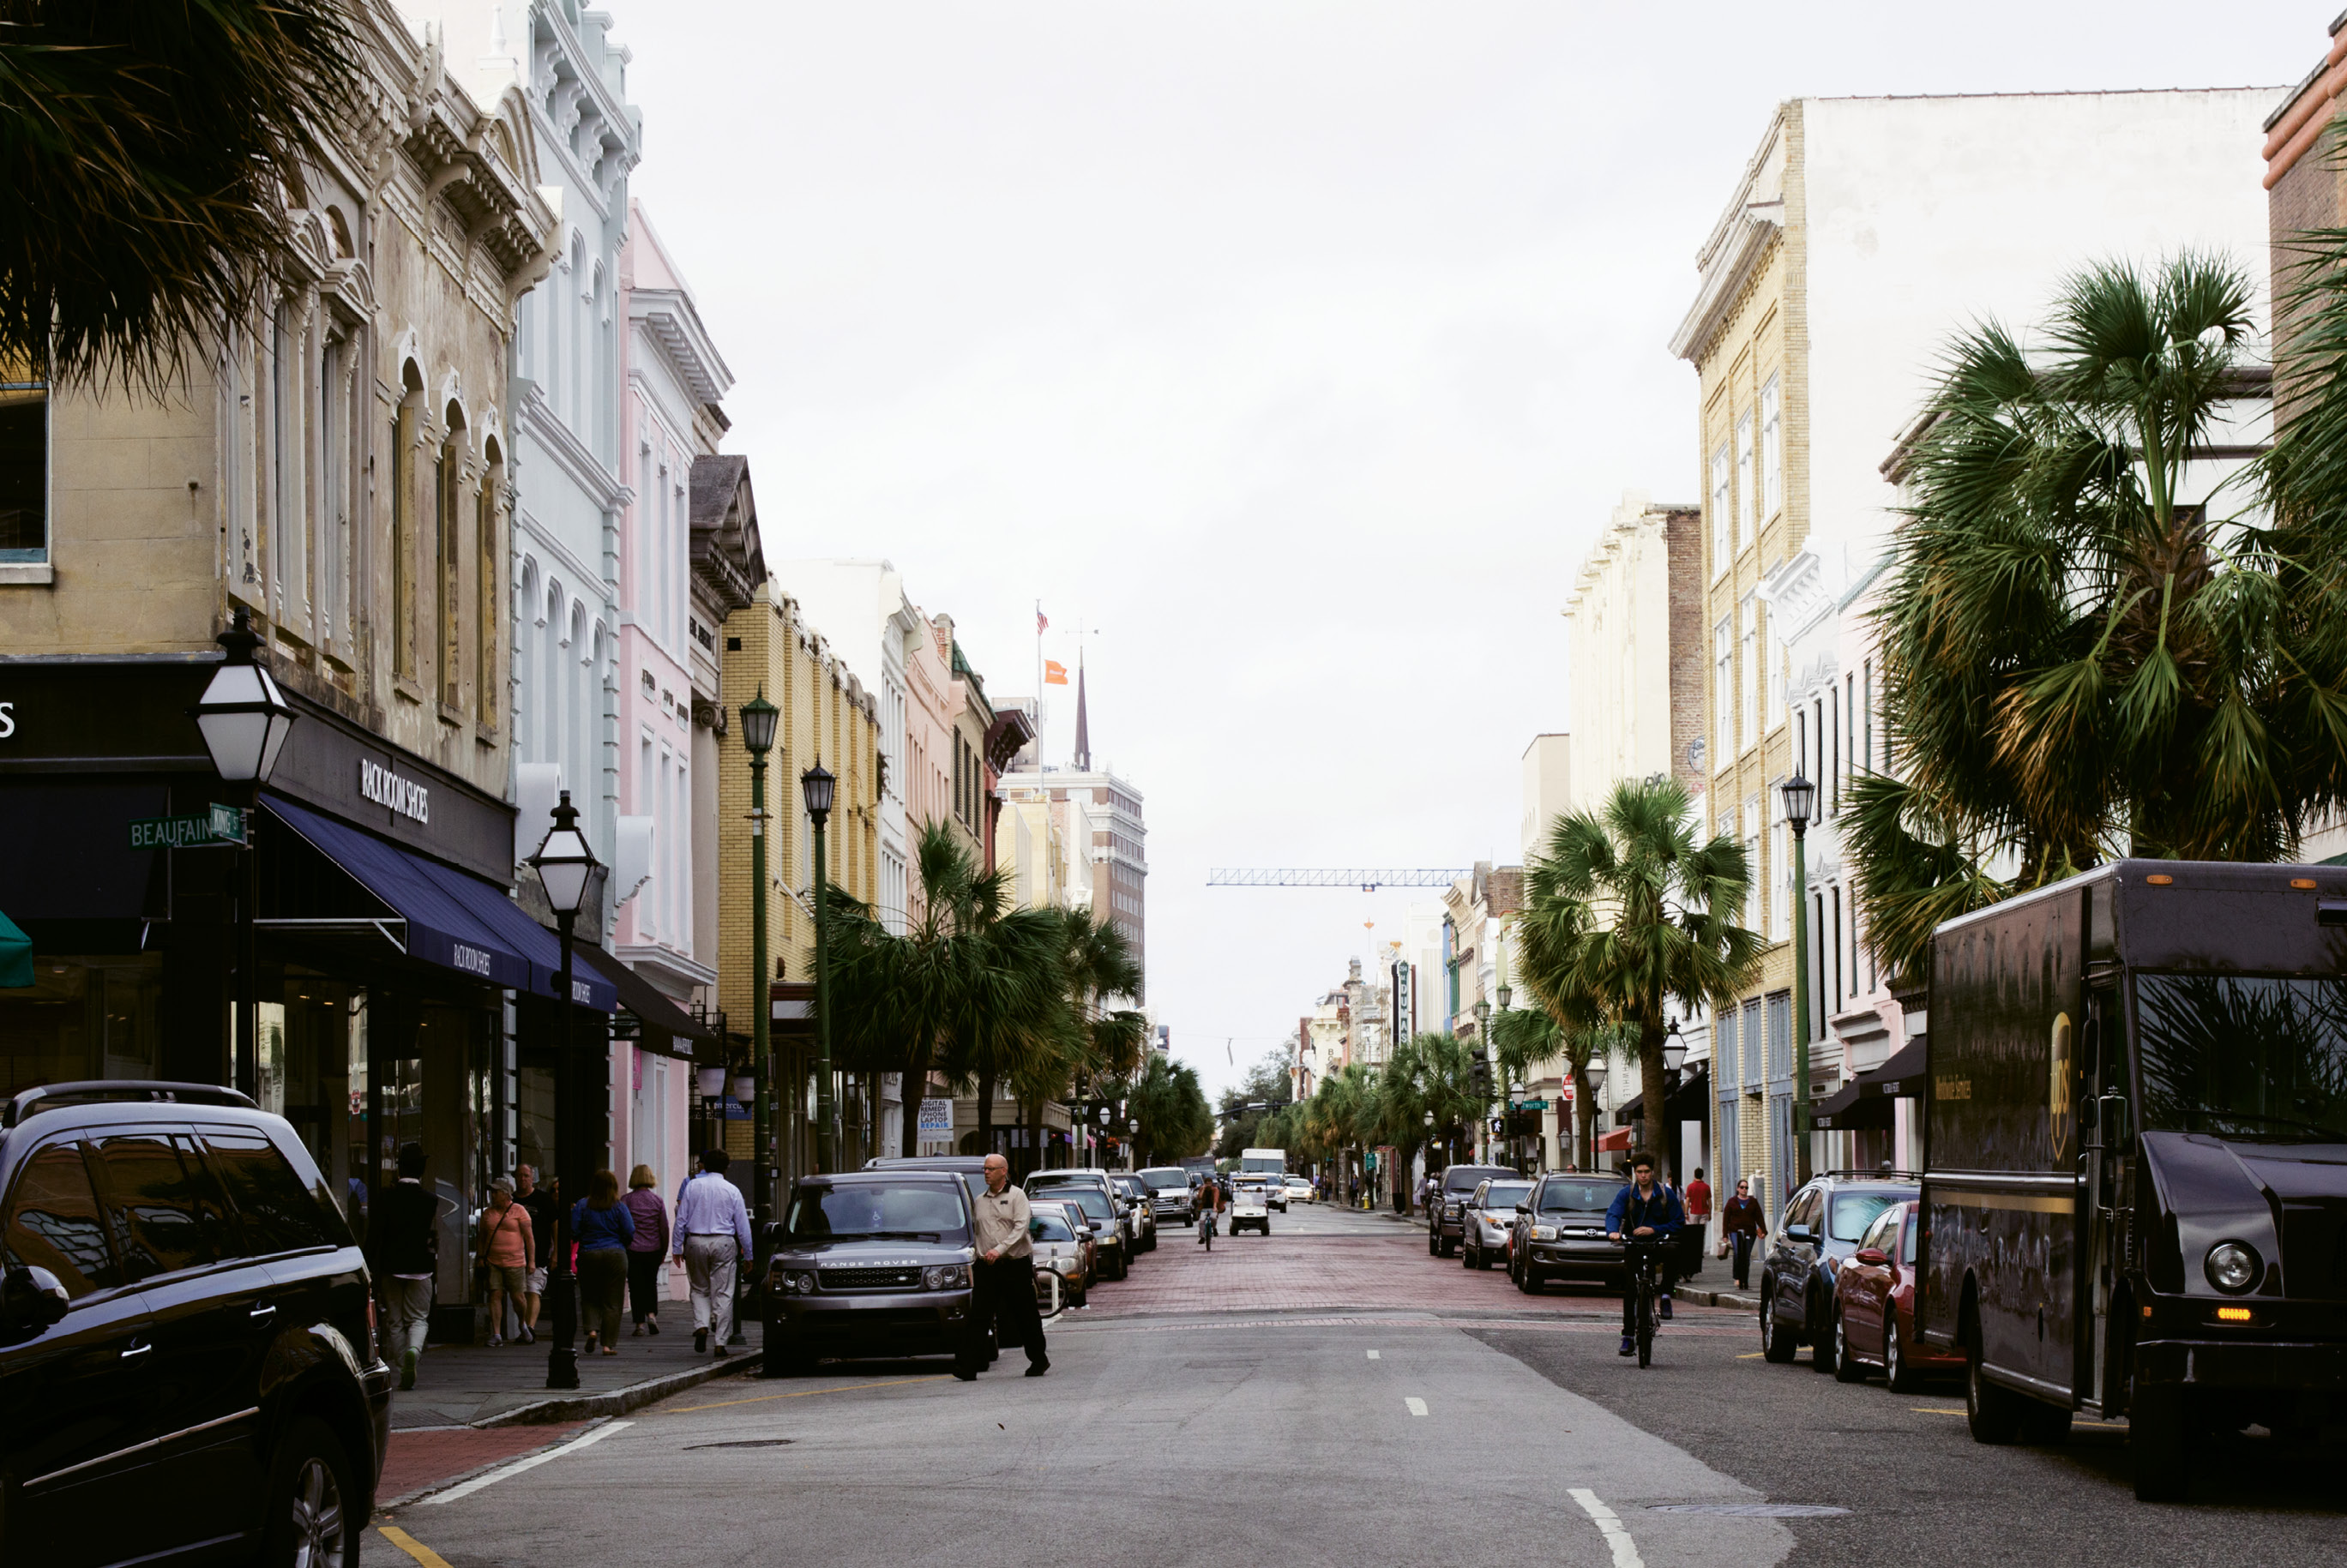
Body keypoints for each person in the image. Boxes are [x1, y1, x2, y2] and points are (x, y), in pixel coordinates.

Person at [958, 1153, 1047, 1379]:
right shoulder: (980, 1200)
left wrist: (999, 1249)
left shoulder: (1017, 1196)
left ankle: (1038, 1359)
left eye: (991, 1169)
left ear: (1003, 1171)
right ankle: (968, 1366)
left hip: (1014, 1265)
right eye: (985, 1169)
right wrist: (979, 1255)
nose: (986, 1173)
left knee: (1025, 1314)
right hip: (987, 1267)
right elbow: (978, 1233)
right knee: (979, 1316)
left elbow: (1020, 1228)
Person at [366, 1144, 438, 1391]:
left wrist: (367, 1264)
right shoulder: (430, 1200)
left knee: (395, 1322)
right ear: (422, 1169)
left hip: (391, 1267)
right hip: (421, 1267)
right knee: (418, 1319)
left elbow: (374, 1236)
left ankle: (402, 1367)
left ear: (400, 1168)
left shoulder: (385, 1197)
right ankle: (413, 1352)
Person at [1604, 1150, 1686, 1357]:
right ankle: (1627, 1336)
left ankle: (1666, 1295)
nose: (1643, 1176)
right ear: (1635, 1172)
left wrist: (1654, 1230)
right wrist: (1613, 1231)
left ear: (1653, 1172)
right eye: (1639, 1172)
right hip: (1635, 1244)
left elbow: (1678, 1221)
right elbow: (1613, 1213)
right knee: (1630, 1290)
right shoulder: (1627, 1193)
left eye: (1647, 1172)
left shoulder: (1665, 1193)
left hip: (1657, 1242)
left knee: (1673, 1251)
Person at [672, 1147, 752, 1356]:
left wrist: (677, 1246)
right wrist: (749, 1254)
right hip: (723, 1241)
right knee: (723, 1292)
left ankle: (701, 1325)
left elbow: (681, 1219)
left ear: (704, 1166)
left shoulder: (692, 1186)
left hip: (695, 1240)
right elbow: (742, 1226)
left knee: (699, 1288)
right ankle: (720, 1342)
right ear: (726, 1167)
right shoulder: (732, 1190)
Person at [571, 1169, 635, 1355]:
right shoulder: (619, 1206)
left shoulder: (582, 1205)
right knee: (613, 1300)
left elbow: (573, 1230)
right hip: (615, 1253)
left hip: (589, 1253)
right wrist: (621, 1243)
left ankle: (592, 1330)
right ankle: (608, 1345)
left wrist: (584, 1237)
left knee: (589, 1295)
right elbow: (630, 1230)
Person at [476, 1176, 534, 1349]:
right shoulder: (488, 1213)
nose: (492, 1195)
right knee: (495, 1294)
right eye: (492, 1192)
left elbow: (529, 1238)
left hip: (515, 1262)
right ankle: (496, 1334)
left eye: (496, 1192)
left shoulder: (519, 1211)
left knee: (518, 1297)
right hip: (493, 1261)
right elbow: (482, 1237)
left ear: (505, 1193)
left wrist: (532, 1261)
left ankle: (522, 1324)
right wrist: (480, 1257)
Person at [622, 1163, 670, 1337]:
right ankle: (651, 1315)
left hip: (632, 1249)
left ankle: (639, 1324)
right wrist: (664, 1249)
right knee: (651, 1283)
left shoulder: (626, 1200)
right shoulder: (657, 1200)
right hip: (654, 1248)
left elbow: (622, 1226)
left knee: (635, 1286)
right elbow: (664, 1227)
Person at [513, 1162, 557, 1344]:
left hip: (539, 1254)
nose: (523, 1179)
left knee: (533, 1291)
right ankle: (523, 1327)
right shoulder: (511, 1200)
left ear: (533, 1178)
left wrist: (555, 1253)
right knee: (518, 1294)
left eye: (526, 1176)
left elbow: (555, 1226)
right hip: (514, 1255)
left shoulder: (543, 1199)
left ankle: (530, 1328)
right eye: (519, 1175)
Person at [1721, 1177, 1766, 1292]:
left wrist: (1764, 1230)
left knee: (1746, 1256)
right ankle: (1737, 1277)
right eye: (1742, 1187)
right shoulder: (1732, 1201)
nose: (1744, 1190)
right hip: (1735, 1231)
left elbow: (1759, 1217)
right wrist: (1725, 1234)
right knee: (1737, 1252)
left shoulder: (1753, 1202)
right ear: (1738, 1189)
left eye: (1746, 1188)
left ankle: (1745, 1278)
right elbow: (1726, 1218)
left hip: (1749, 1232)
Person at [1681, 1167, 1712, 1279]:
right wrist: (1710, 1212)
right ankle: (1701, 1251)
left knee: (1693, 1234)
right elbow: (1709, 1201)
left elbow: (1687, 1200)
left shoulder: (1690, 1186)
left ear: (1695, 1175)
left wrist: (1686, 1212)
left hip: (1694, 1212)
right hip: (1704, 1212)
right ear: (1702, 1175)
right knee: (1702, 1233)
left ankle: (1694, 1250)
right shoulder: (1706, 1187)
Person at [1195, 1173, 1224, 1248]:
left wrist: (1215, 1207)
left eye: (1209, 1183)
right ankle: (1202, 1237)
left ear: (1211, 1183)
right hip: (1203, 1208)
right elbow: (1199, 1197)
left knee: (1213, 1218)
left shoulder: (1215, 1189)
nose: (1208, 1185)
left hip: (1212, 1208)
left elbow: (1216, 1198)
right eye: (1207, 1183)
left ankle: (1214, 1228)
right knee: (1201, 1221)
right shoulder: (1202, 1189)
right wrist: (1203, 1189)